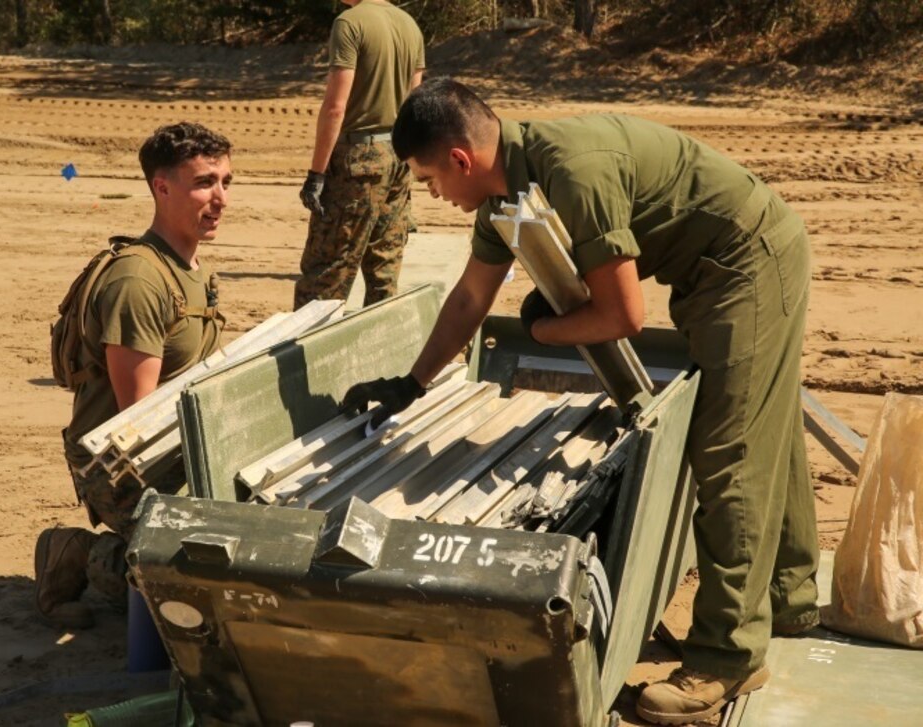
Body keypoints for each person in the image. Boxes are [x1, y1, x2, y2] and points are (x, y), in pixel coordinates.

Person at [341, 78, 820, 725]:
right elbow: (470, 297)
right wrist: (412, 382)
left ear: (460, 159)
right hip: (712, 266)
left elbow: (622, 315)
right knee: (765, 422)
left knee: (729, 449)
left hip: (746, 259)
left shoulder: (573, 173)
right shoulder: (504, 194)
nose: (433, 195)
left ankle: (727, 655)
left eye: (429, 180)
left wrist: (544, 330)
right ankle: (789, 596)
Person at [35, 121, 230, 629]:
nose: (221, 198)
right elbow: (137, 422)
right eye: (204, 183)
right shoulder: (139, 281)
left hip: (179, 446)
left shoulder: (192, 269)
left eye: (225, 182)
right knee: (197, 579)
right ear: (162, 188)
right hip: (122, 465)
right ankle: (81, 555)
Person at [293, 0, 425, 310]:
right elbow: (414, 101)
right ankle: (384, 335)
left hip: (358, 159)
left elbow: (335, 107)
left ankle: (311, 339)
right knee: (385, 270)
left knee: (328, 271)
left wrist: (316, 174)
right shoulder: (409, 25)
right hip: (398, 153)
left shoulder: (350, 22)